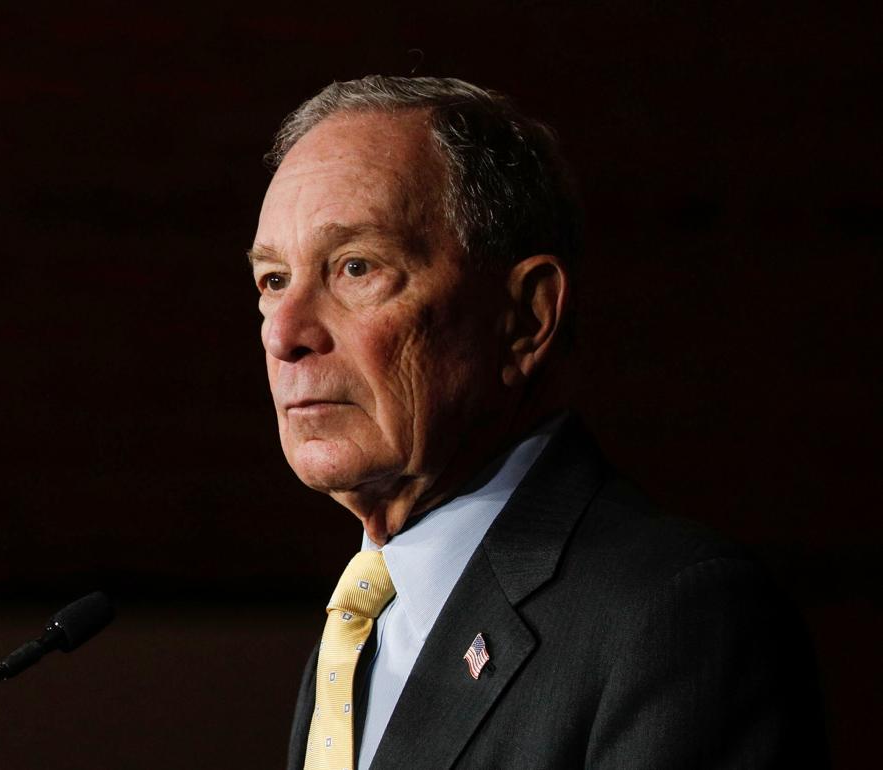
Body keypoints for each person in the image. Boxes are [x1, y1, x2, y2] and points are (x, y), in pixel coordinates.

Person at [247, 76, 826, 770]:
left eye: (356, 268)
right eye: (273, 280)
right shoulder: (361, 625)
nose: (285, 332)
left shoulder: (674, 619)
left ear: (525, 317)